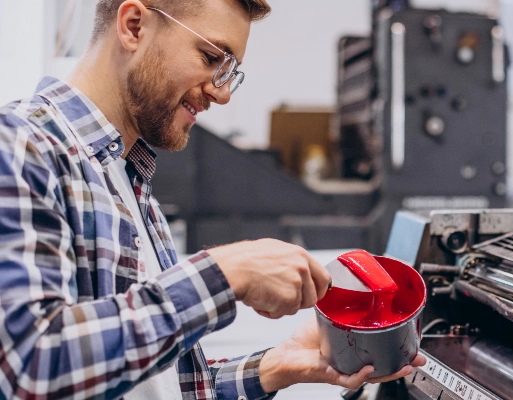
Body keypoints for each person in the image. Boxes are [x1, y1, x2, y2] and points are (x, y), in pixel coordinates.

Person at [0, 0, 425, 398]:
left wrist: (278, 366)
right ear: (134, 26)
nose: (221, 94)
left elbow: (162, 387)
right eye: (210, 58)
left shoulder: (129, 177)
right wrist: (226, 272)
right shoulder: (21, 146)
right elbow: (32, 366)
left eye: (230, 71)